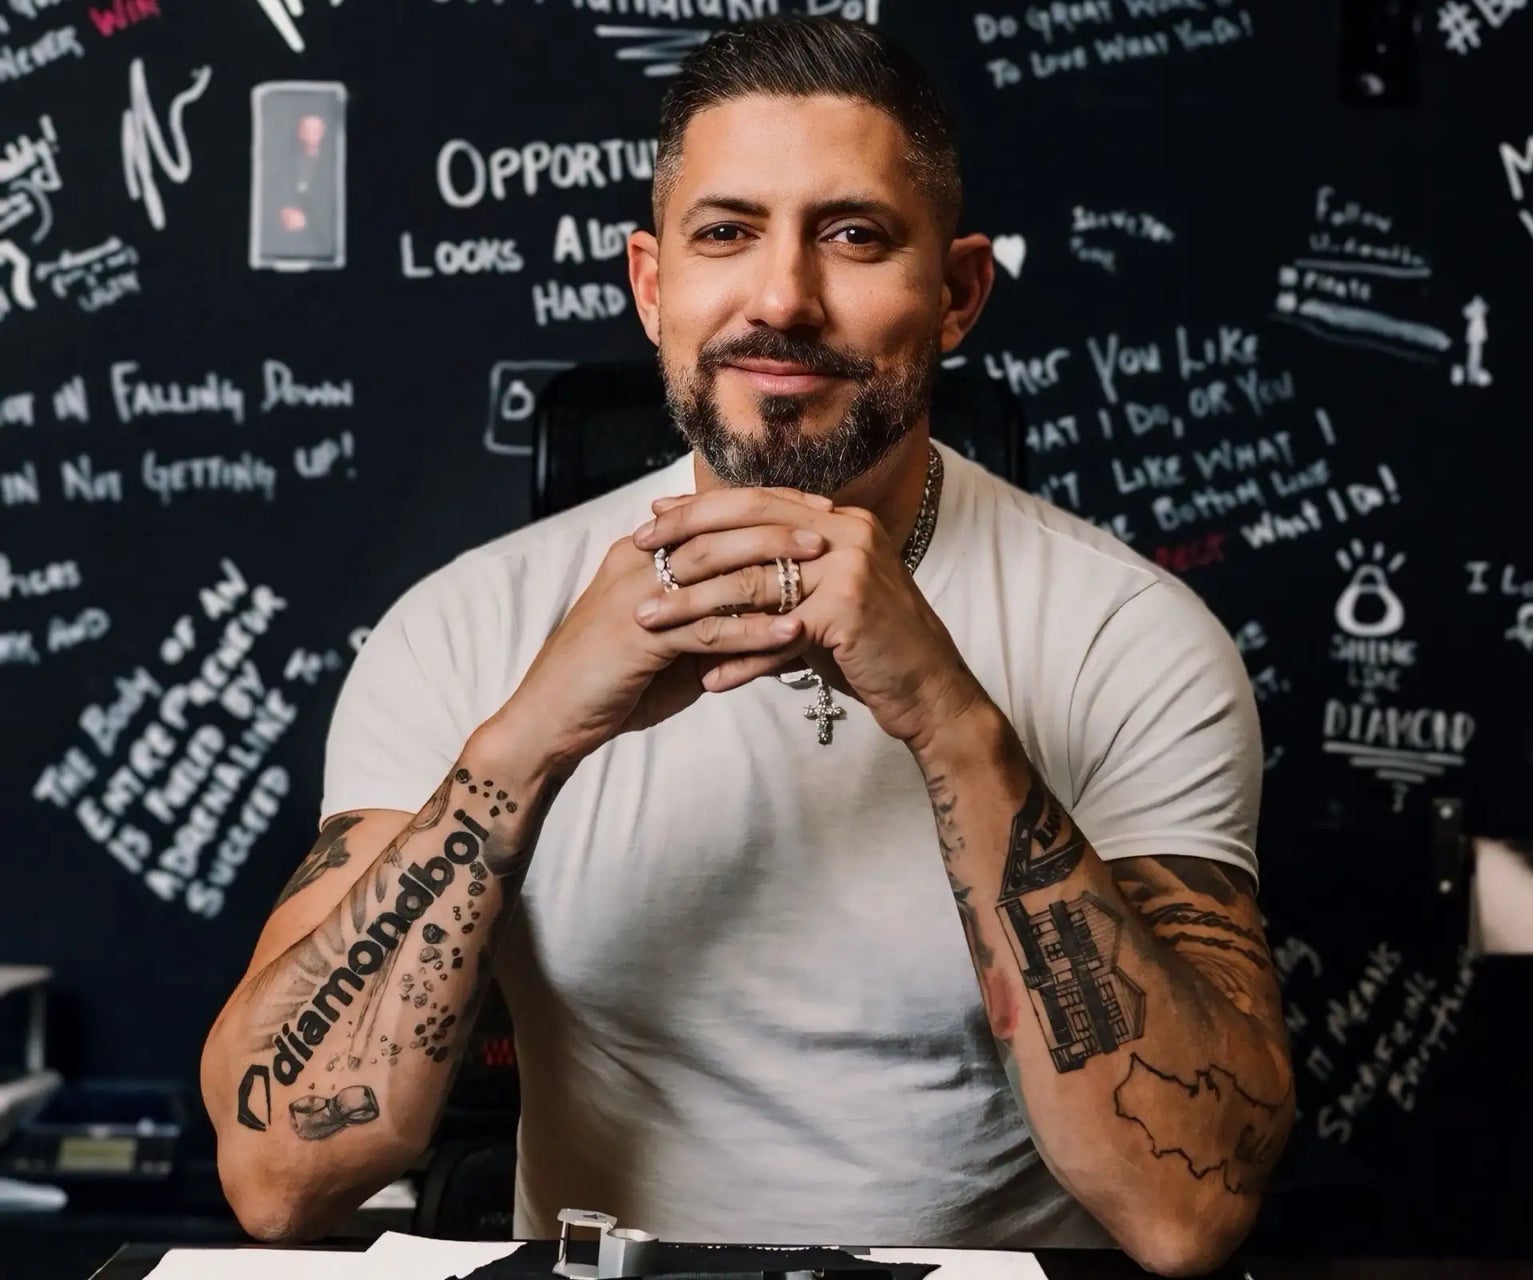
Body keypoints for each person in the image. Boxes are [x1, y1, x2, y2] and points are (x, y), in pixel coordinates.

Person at [200, 14, 1293, 1274]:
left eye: (854, 235)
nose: (781, 296)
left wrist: (950, 715)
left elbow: (1187, 1206)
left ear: (956, 295)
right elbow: (280, 1175)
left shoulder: (1128, 637)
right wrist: (532, 732)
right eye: (725, 232)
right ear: (652, 285)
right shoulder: (468, 628)